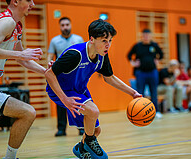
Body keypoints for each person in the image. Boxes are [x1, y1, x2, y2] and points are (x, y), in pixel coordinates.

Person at [45, 19, 142, 159]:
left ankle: (81, 148)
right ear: (92, 39)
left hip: (79, 89)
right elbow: (49, 73)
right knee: (93, 111)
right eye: (104, 40)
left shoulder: (102, 55)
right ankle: (89, 142)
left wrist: (133, 93)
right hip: (62, 90)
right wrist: (64, 99)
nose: (107, 45)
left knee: (96, 130)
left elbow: (109, 78)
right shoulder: (75, 55)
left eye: (110, 40)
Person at [0, 0, 46, 158]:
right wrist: (19, 54)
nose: (32, 3)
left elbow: (23, 59)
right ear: (16, 1)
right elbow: (21, 56)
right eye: (29, 0)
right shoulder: (7, 21)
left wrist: (47, 72)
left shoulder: (16, 27)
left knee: (28, 113)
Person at [47, 17, 84, 137]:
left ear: (71, 25)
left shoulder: (78, 39)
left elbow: (84, 56)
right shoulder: (54, 41)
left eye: (67, 24)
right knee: (61, 101)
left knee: (79, 101)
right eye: (62, 25)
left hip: (76, 76)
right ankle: (61, 129)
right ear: (60, 26)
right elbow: (49, 57)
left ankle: (82, 127)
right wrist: (48, 67)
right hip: (60, 77)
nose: (65, 27)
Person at [127, 29, 163, 119]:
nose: (146, 37)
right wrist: (133, 63)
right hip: (141, 73)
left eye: (148, 35)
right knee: (140, 93)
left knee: (153, 92)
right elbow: (129, 55)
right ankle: (140, 112)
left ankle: (156, 111)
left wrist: (157, 60)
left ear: (150, 36)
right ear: (142, 36)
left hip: (152, 72)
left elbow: (161, 54)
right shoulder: (138, 46)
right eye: (144, 35)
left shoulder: (154, 45)